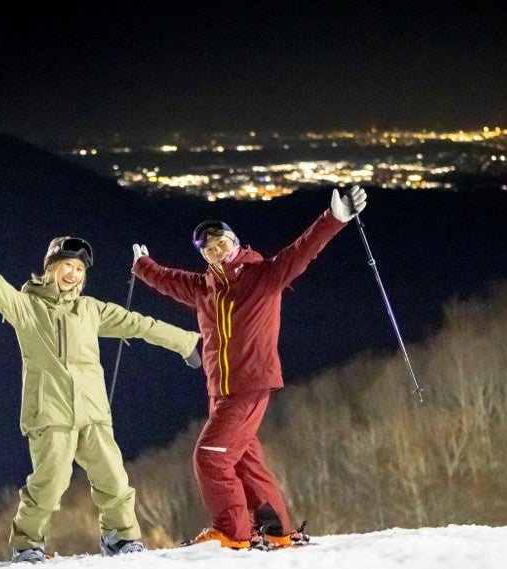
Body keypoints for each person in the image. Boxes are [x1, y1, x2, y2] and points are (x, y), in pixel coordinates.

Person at [0, 236, 200, 563]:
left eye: (79, 269)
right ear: (50, 268)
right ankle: (27, 544)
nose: (73, 274)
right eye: (67, 266)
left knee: (113, 478)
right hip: (50, 413)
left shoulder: (90, 310)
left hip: (92, 411)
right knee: (50, 484)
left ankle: (121, 538)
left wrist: (185, 342)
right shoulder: (26, 307)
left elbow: (138, 324)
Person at [130, 186, 363, 548]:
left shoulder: (262, 275)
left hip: (249, 385)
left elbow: (302, 251)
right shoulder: (204, 288)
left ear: (235, 242)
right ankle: (276, 530)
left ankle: (234, 534)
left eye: (221, 242)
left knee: (211, 456)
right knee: (243, 461)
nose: (217, 250)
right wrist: (142, 266)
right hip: (219, 390)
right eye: (209, 249)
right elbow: (168, 280)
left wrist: (334, 219)